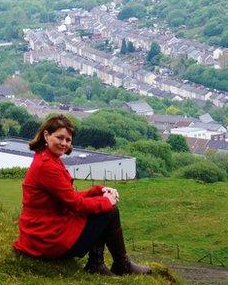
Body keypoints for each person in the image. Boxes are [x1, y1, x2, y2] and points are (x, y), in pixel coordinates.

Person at [13, 114, 150, 275]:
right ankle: (117, 264)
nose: (64, 143)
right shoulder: (47, 166)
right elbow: (75, 204)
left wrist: (99, 191)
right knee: (109, 211)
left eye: (68, 140)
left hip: (43, 231)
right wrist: (106, 201)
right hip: (46, 239)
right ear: (46, 135)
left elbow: (67, 196)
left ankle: (101, 263)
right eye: (60, 138)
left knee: (101, 205)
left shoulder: (48, 158)